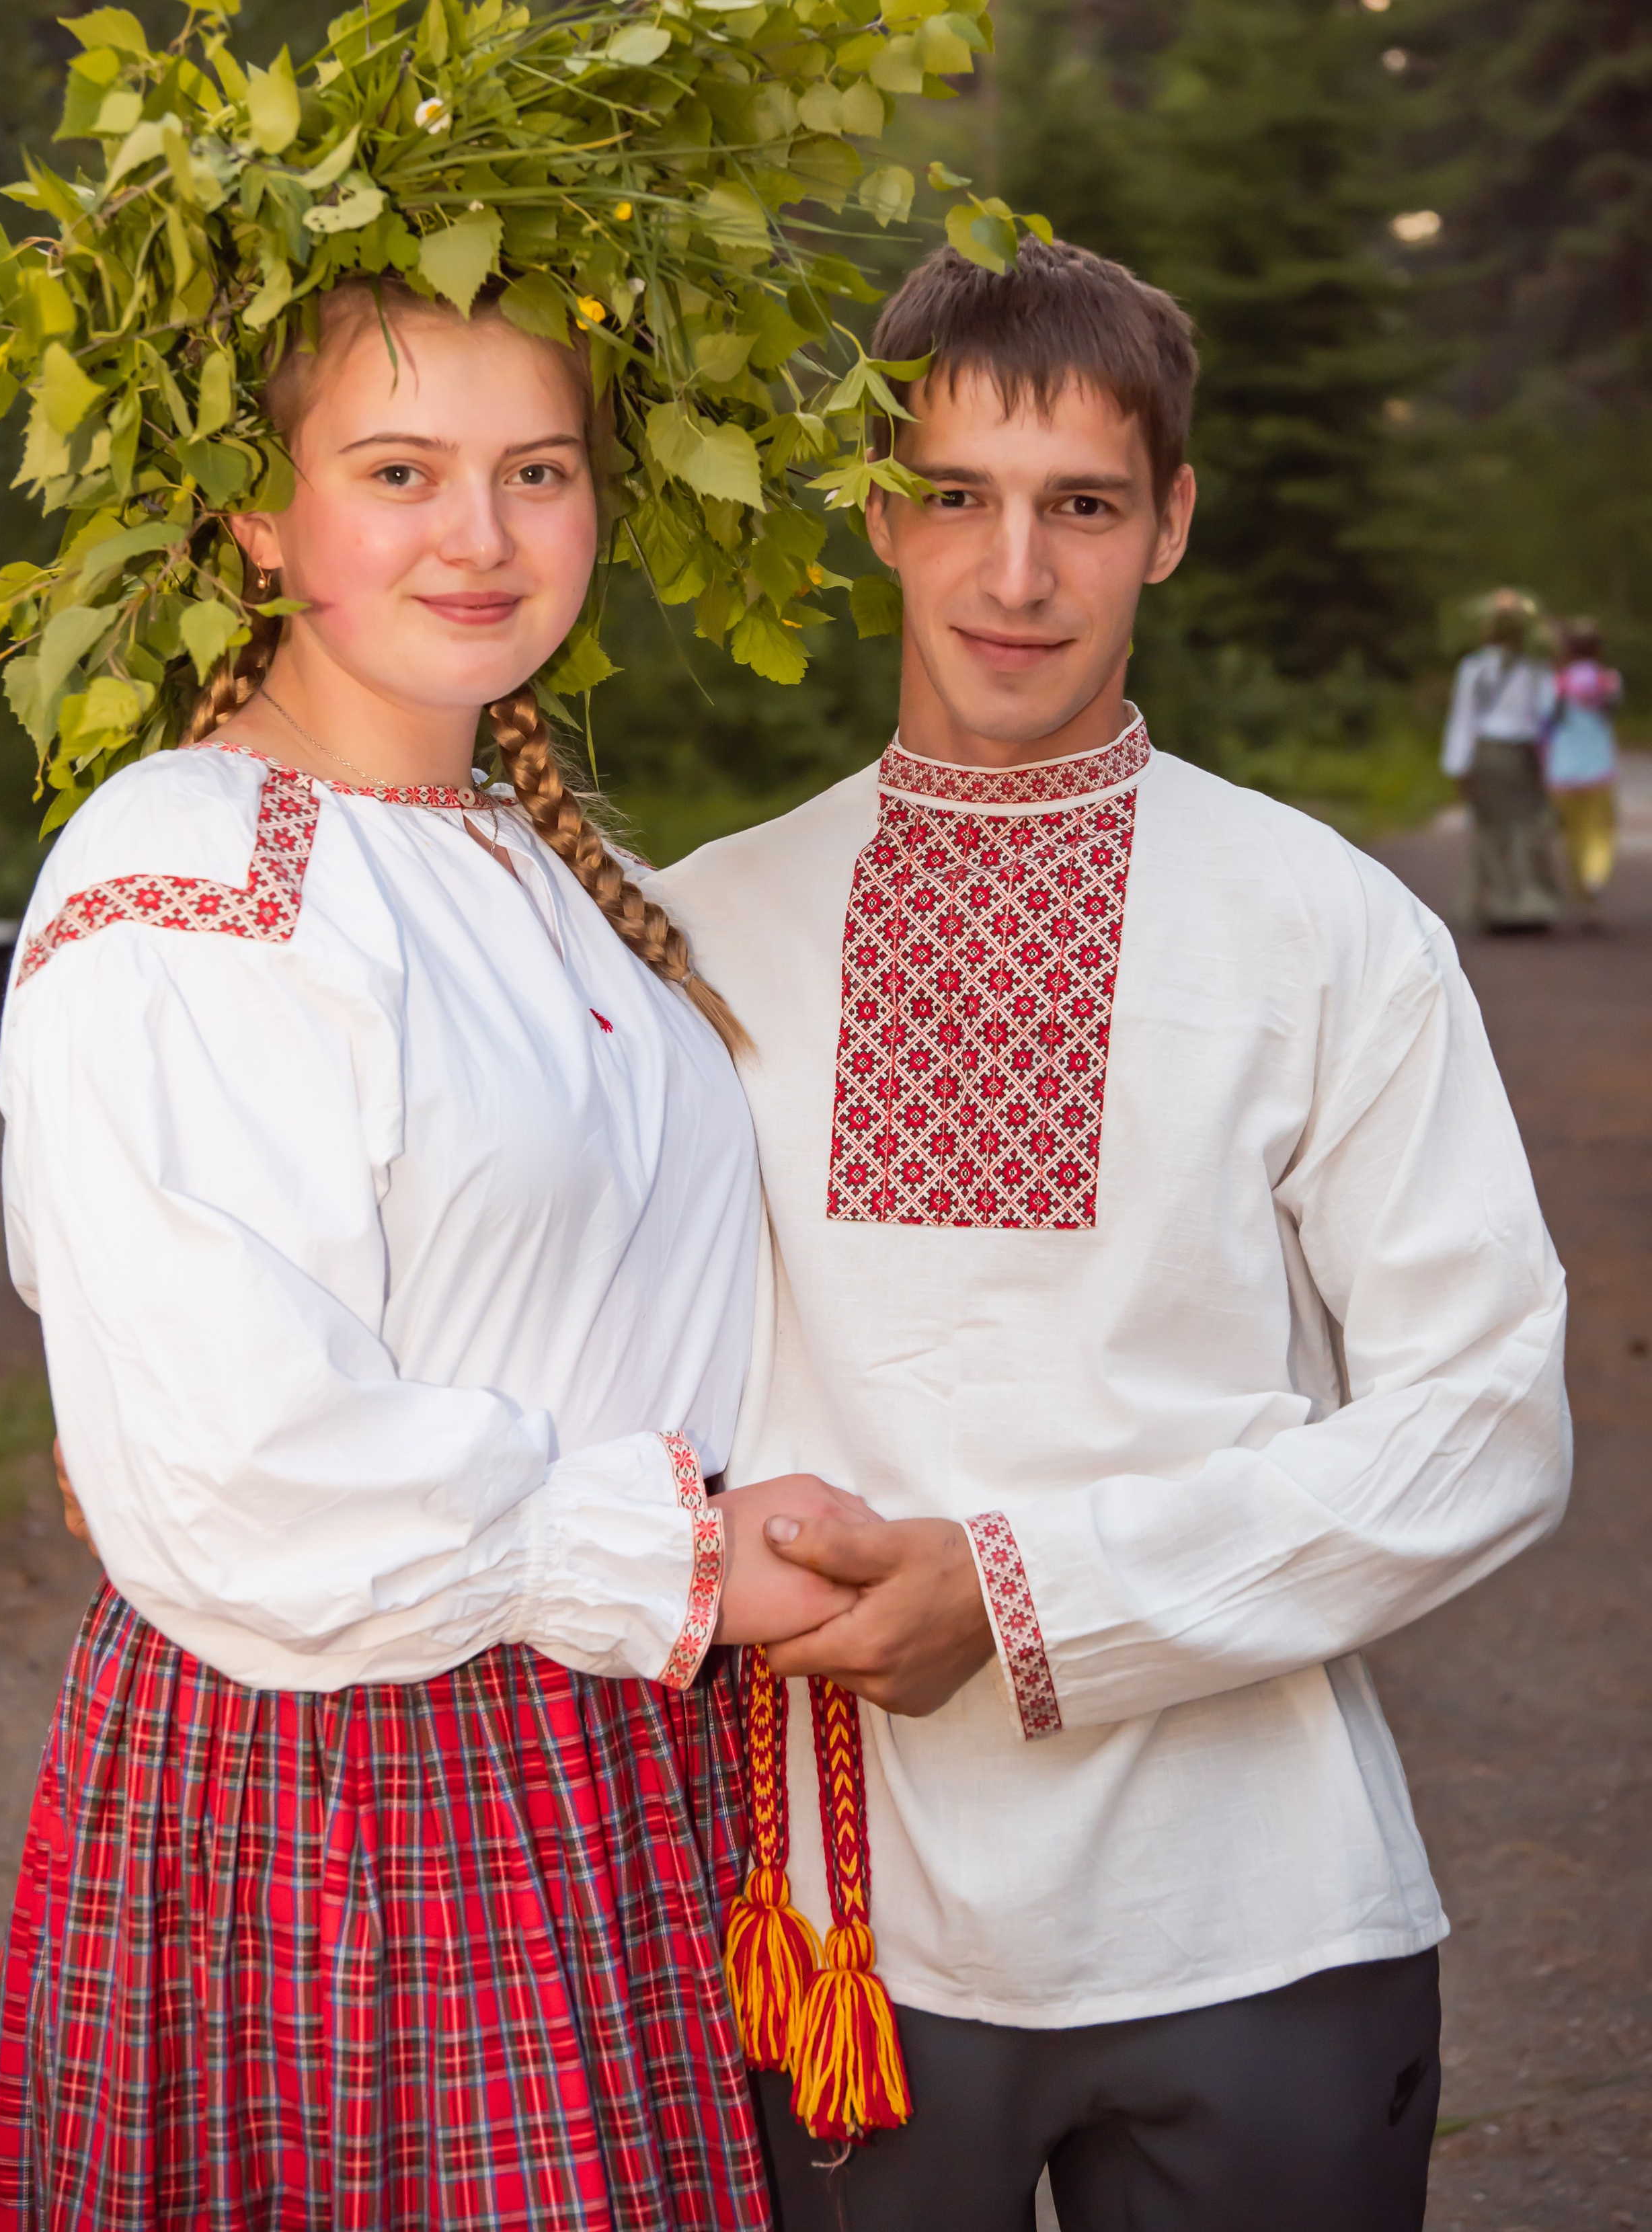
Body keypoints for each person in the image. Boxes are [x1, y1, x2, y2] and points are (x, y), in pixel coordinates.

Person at [657, 237, 1570, 2232]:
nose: (1013, 575)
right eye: (958, 499)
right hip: (854, 1935)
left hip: (1254, 1908)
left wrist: (1022, 1587)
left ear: (1167, 520)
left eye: (1078, 504)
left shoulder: (1323, 924)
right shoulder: (701, 930)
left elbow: (1488, 1418)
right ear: (877, 512)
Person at [0, 282, 865, 2231]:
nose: (479, 536)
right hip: (356, 1777)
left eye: (533, 473)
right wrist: (679, 1555)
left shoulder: (534, 860)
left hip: (608, 1753)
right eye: (402, 473)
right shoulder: (193, 879)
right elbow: (244, 1468)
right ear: (260, 522)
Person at [1441, 589, 1561, 930]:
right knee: (1527, 827)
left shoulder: (1474, 668)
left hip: (1487, 755)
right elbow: (1548, 713)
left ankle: (1495, 905)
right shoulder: (1537, 669)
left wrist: (1457, 765)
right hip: (1522, 756)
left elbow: (1463, 719)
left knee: (1490, 829)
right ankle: (1532, 903)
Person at [1544, 618, 1623, 915]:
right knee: (1601, 830)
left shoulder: (1558, 682)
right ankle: (1596, 876)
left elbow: (1547, 720)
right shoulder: (1608, 680)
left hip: (1563, 771)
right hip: (1599, 769)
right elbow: (1614, 710)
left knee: (1573, 835)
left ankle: (1583, 889)